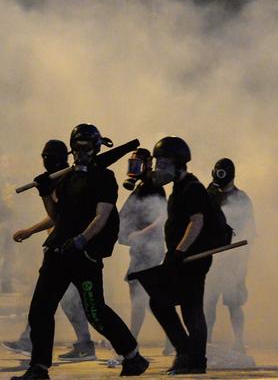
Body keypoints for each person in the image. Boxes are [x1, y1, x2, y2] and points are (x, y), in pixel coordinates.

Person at [10, 124, 148, 380]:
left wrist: (82, 241)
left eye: (86, 147)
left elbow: (102, 215)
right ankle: (39, 367)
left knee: (95, 313)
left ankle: (132, 356)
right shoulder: (68, 178)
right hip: (57, 252)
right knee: (40, 310)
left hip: (83, 256)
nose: (81, 152)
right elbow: (57, 216)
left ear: (95, 148)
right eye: (77, 148)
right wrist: (44, 193)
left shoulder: (104, 178)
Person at [4, 140, 96, 362]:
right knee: (60, 301)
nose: (46, 161)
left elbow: (58, 216)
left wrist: (30, 230)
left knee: (56, 301)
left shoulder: (67, 179)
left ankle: (36, 343)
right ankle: (83, 344)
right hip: (60, 248)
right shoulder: (57, 179)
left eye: (50, 156)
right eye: (44, 156)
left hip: (69, 249)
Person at [148, 136, 216, 375]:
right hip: (183, 258)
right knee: (180, 306)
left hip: (192, 259)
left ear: (178, 163)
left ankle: (193, 358)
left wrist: (178, 252)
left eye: (163, 162)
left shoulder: (192, 187)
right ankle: (190, 356)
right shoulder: (178, 188)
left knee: (186, 307)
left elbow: (196, 222)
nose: (159, 168)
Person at [113, 148, 170, 363]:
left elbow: (161, 218)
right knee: (143, 298)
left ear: (148, 164)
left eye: (139, 163)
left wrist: (139, 234)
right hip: (139, 251)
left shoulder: (155, 187)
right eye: (132, 163)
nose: (134, 168)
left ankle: (133, 342)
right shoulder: (140, 188)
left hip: (151, 249)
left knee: (145, 298)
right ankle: (166, 340)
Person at [204, 158, 254, 353]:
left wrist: (242, 266)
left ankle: (239, 341)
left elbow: (248, 232)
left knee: (234, 302)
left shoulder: (241, 199)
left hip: (234, 260)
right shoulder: (210, 196)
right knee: (208, 302)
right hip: (212, 258)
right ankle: (206, 340)